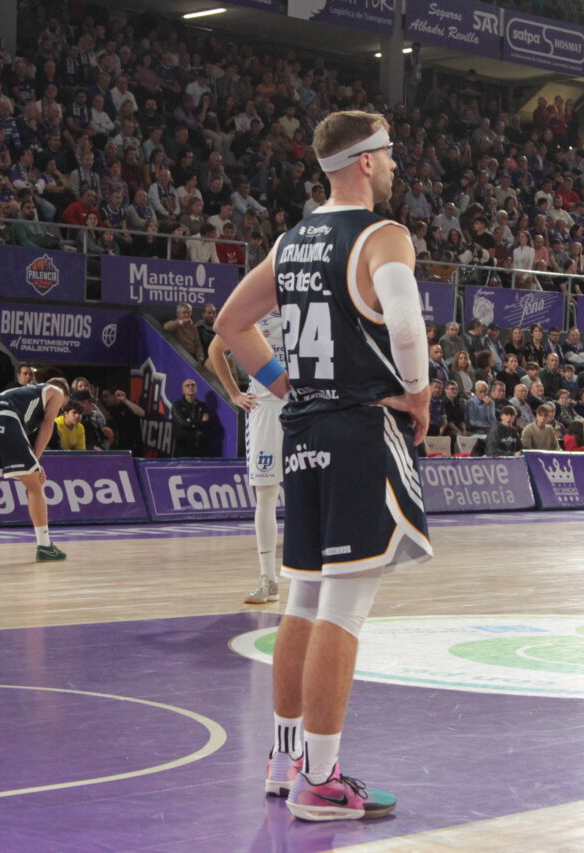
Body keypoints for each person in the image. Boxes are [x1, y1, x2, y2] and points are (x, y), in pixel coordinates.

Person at [213, 111, 430, 822]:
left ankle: (285, 760)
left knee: (301, 600)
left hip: (303, 426)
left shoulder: (291, 240)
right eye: (389, 151)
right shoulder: (382, 234)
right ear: (365, 162)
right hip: (356, 428)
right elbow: (404, 323)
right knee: (345, 607)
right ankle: (323, 778)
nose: (395, 162)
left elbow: (230, 324)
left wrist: (279, 385)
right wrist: (420, 393)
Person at [208, 315, 286, 605]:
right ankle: (268, 579)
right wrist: (233, 393)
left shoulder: (303, 303)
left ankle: (315, 576)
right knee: (266, 494)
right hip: (264, 408)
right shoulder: (253, 311)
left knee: (313, 491)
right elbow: (215, 350)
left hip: (303, 406)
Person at [0, 378, 71, 562]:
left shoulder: (24, 394)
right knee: (35, 485)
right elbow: (47, 425)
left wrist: (33, 463)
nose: (60, 407)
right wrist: (36, 461)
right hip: (6, 420)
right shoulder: (56, 391)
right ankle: (45, 546)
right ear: (65, 394)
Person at [171, 378, 210, 456]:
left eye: (193, 385)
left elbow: (206, 424)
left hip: (199, 446)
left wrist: (191, 420)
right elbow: (183, 423)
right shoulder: (177, 405)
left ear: (196, 388)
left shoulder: (202, 405)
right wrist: (198, 422)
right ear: (183, 390)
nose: (191, 387)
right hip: (182, 448)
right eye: (187, 385)